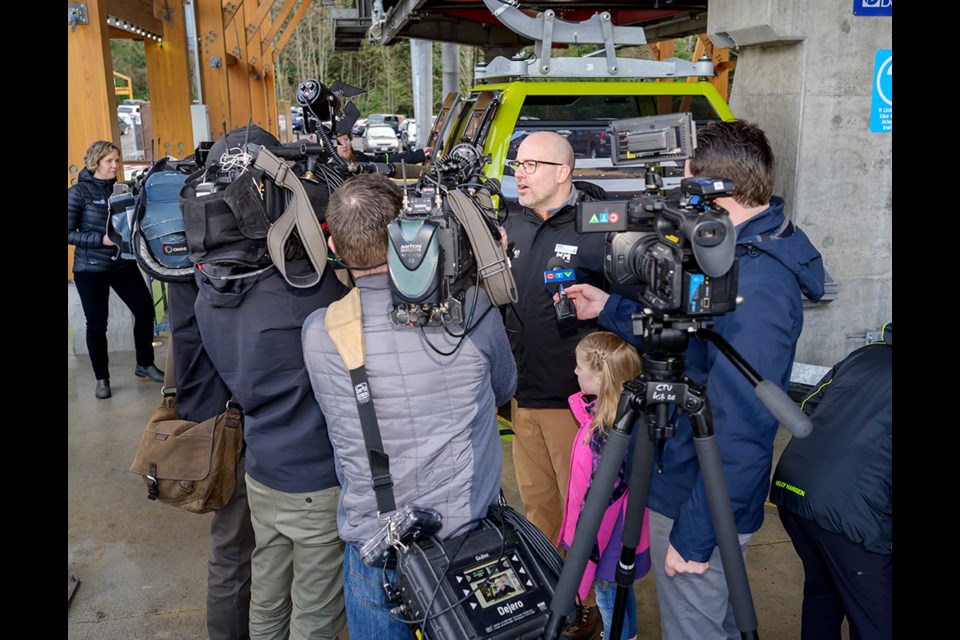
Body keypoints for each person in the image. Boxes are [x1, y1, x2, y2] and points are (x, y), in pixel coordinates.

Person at [561, 120, 826, 640]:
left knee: (696, 628)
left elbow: (743, 430)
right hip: (681, 473)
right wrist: (610, 307)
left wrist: (699, 535)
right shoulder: (729, 250)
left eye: (685, 183)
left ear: (715, 188)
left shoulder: (761, 284)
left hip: (695, 496)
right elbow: (689, 327)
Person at [301, 173, 516, 639]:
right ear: (413, 235)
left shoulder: (321, 331)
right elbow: (504, 390)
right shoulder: (473, 309)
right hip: (467, 537)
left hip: (376, 544)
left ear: (333, 242)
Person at [192, 126, 347, 640]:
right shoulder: (309, 291)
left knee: (267, 595)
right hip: (314, 479)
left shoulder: (207, 295)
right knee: (317, 610)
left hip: (261, 473)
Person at [499, 130, 614, 636]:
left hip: (575, 406)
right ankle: (547, 595)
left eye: (531, 164)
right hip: (521, 398)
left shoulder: (597, 229)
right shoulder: (510, 226)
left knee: (582, 513)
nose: (519, 172)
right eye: (516, 164)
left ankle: (581, 607)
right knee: (538, 506)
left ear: (563, 172)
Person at [769, 322, 892, 640]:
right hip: (848, 513)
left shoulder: (865, 354)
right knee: (877, 621)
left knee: (823, 594)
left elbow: (809, 406)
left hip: (794, 487)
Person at [167, 278, 255, 640]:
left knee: (236, 549)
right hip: (234, 416)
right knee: (235, 549)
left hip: (217, 409)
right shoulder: (229, 251)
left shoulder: (172, 241)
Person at [559, 331, 650, 640]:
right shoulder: (620, 420)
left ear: (599, 378)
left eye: (579, 367)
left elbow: (599, 507)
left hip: (605, 541)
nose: (575, 371)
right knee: (620, 594)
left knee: (609, 599)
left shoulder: (603, 437)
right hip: (617, 536)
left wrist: (583, 559)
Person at [67, 140, 165, 399]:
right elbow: (68, 233)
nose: (115, 166)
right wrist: (101, 240)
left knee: (144, 311)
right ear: (95, 163)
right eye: (109, 161)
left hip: (123, 262)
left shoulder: (122, 190)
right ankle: (102, 379)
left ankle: (144, 364)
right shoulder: (78, 193)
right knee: (97, 325)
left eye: (117, 161)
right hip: (90, 268)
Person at [335, 132, 432, 164]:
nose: (344, 145)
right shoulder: (328, 167)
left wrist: (418, 154)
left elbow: (385, 160)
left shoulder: (359, 157)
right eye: (340, 142)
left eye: (346, 139)